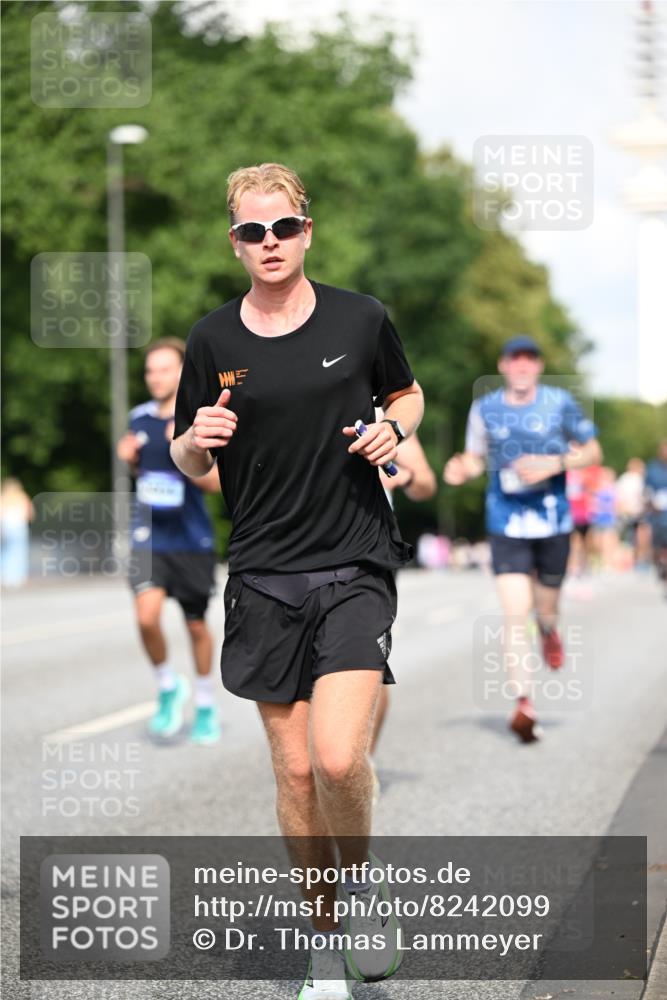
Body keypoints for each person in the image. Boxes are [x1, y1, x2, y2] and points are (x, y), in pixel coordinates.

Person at [170, 163, 424, 999]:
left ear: (306, 230)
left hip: (354, 562)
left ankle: (361, 887)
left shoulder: (360, 317)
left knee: (337, 757)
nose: (269, 243)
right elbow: (185, 454)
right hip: (263, 572)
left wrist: (392, 427)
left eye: (283, 228)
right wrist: (198, 438)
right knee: (290, 773)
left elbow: (408, 392)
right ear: (234, 240)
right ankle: (323, 944)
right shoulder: (211, 340)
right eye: (253, 231)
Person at [443, 336, 602, 743]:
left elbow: (592, 451)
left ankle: (550, 632)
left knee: (545, 612)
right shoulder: (485, 408)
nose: (522, 367)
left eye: (529, 360)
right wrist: (462, 468)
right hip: (506, 523)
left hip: (553, 523)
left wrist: (556, 462)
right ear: (503, 366)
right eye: (515, 360)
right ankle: (524, 704)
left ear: (538, 366)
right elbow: (475, 456)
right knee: (516, 615)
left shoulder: (559, 402)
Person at [117, 338, 222, 745]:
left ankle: (206, 702)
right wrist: (129, 459)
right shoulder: (138, 418)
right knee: (145, 616)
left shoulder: (198, 420)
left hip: (190, 537)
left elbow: (214, 484)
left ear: (182, 372)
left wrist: (187, 446)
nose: (155, 377)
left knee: (196, 625)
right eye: (150, 370)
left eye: (164, 369)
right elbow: (145, 476)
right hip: (149, 536)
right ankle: (166, 685)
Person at [369, 433, 437, 803]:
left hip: (370, 551)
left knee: (366, 661)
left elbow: (426, 482)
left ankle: (362, 759)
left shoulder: (384, 418)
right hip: (299, 548)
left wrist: (405, 476)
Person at [0, 478, 34, 587]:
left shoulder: (3, 497)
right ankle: (17, 577)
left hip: (6, 527)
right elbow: (31, 513)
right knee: (19, 552)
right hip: (19, 527)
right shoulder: (22, 497)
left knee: (5, 552)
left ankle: (4, 576)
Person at [645, 439, 667, 599]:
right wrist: (651, 504)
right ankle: (661, 569)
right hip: (658, 515)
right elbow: (646, 490)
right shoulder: (652, 468)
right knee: (658, 547)